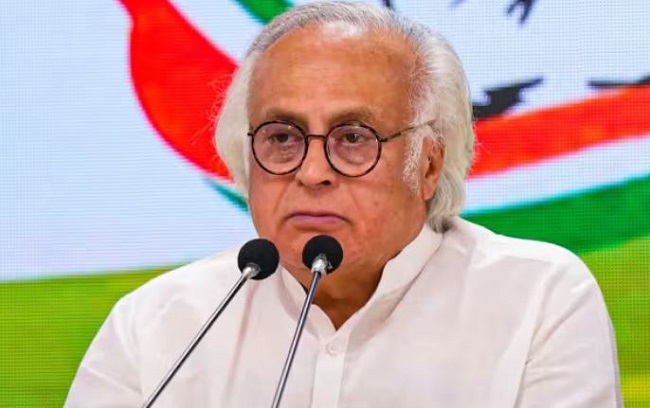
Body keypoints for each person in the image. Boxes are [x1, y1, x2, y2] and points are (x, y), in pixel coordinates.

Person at [65, 2, 622, 407]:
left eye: (353, 138)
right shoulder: (159, 325)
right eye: (282, 138)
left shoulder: (538, 299)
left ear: (428, 163)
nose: (311, 172)